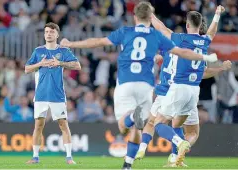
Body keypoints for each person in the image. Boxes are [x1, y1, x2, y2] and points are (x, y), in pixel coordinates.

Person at [60, 2, 217, 169]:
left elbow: (98, 41)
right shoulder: (157, 37)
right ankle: (129, 162)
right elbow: (182, 52)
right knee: (146, 124)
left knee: (125, 126)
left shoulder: (125, 32)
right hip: (147, 87)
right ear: (149, 17)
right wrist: (206, 59)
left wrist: (71, 44)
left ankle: (133, 125)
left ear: (134, 17)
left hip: (126, 84)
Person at [136, 6, 231, 167]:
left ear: (187, 25)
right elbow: (212, 32)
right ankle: (175, 158)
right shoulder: (205, 41)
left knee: (158, 123)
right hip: (194, 91)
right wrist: (217, 15)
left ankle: (179, 143)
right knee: (192, 131)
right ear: (200, 25)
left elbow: (161, 28)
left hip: (178, 87)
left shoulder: (180, 39)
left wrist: (150, 15)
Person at [24, 22, 81, 164]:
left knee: (63, 124)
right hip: (41, 95)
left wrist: (60, 63)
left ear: (57, 34)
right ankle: (35, 157)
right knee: (38, 125)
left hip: (57, 95)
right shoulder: (38, 51)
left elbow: (77, 65)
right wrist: (39, 64)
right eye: (46, 32)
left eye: (51, 32)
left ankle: (69, 157)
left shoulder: (63, 51)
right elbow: (26, 69)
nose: (48, 34)